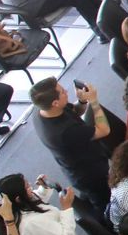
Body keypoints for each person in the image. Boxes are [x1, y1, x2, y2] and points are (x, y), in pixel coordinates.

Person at [31, 78, 122, 211]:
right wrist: (94, 101)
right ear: (55, 103)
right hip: (90, 174)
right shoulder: (64, 132)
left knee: (94, 196)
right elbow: (104, 130)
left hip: (79, 163)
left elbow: (74, 111)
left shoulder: (43, 109)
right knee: (107, 204)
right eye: (63, 92)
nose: (66, 91)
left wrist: (82, 101)